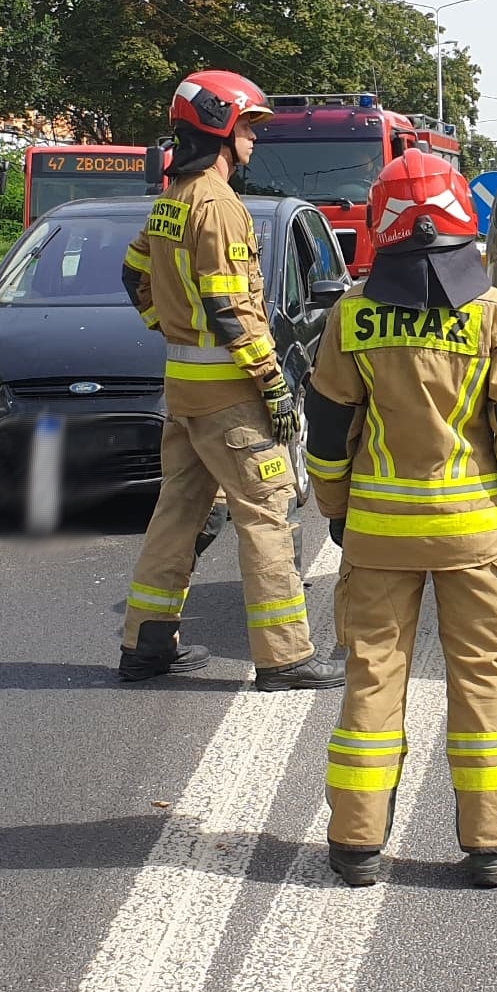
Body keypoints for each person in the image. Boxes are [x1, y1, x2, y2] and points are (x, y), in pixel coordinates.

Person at [304, 149, 497, 889]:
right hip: (475, 536)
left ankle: (355, 845)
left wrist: (336, 510)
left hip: (379, 536)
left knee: (372, 680)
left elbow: (325, 430)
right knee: (481, 684)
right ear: (460, 224)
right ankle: (490, 848)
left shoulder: (351, 314)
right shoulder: (493, 313)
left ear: (381, 227)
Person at [116, 69, 341, 692]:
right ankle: (284, 657)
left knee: (177, 516)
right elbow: (230, 306)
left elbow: (132, 274)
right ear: (220, 126)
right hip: (232, 402)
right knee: (267, 516)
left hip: (185, 396)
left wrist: (170, 326)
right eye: (249, 125)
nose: (254, 139)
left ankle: (146, 645)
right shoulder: (218, 206)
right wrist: (272, 382)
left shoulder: (173, 199)